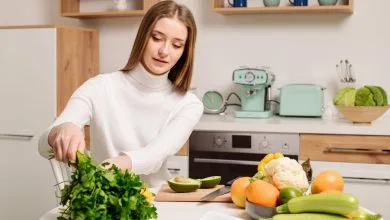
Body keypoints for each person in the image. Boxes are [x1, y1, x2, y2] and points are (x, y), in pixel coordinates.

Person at [38, 0, 203, 187]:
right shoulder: (100, 87)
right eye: (156, 38)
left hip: (156, 204)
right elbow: (43, 145)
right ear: (143, 37)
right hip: (104, 203)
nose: (164, 51)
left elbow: (155, 155)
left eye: (177, 45)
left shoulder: (189, 104)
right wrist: (61, 130)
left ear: (184, 51)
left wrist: (109, 168)